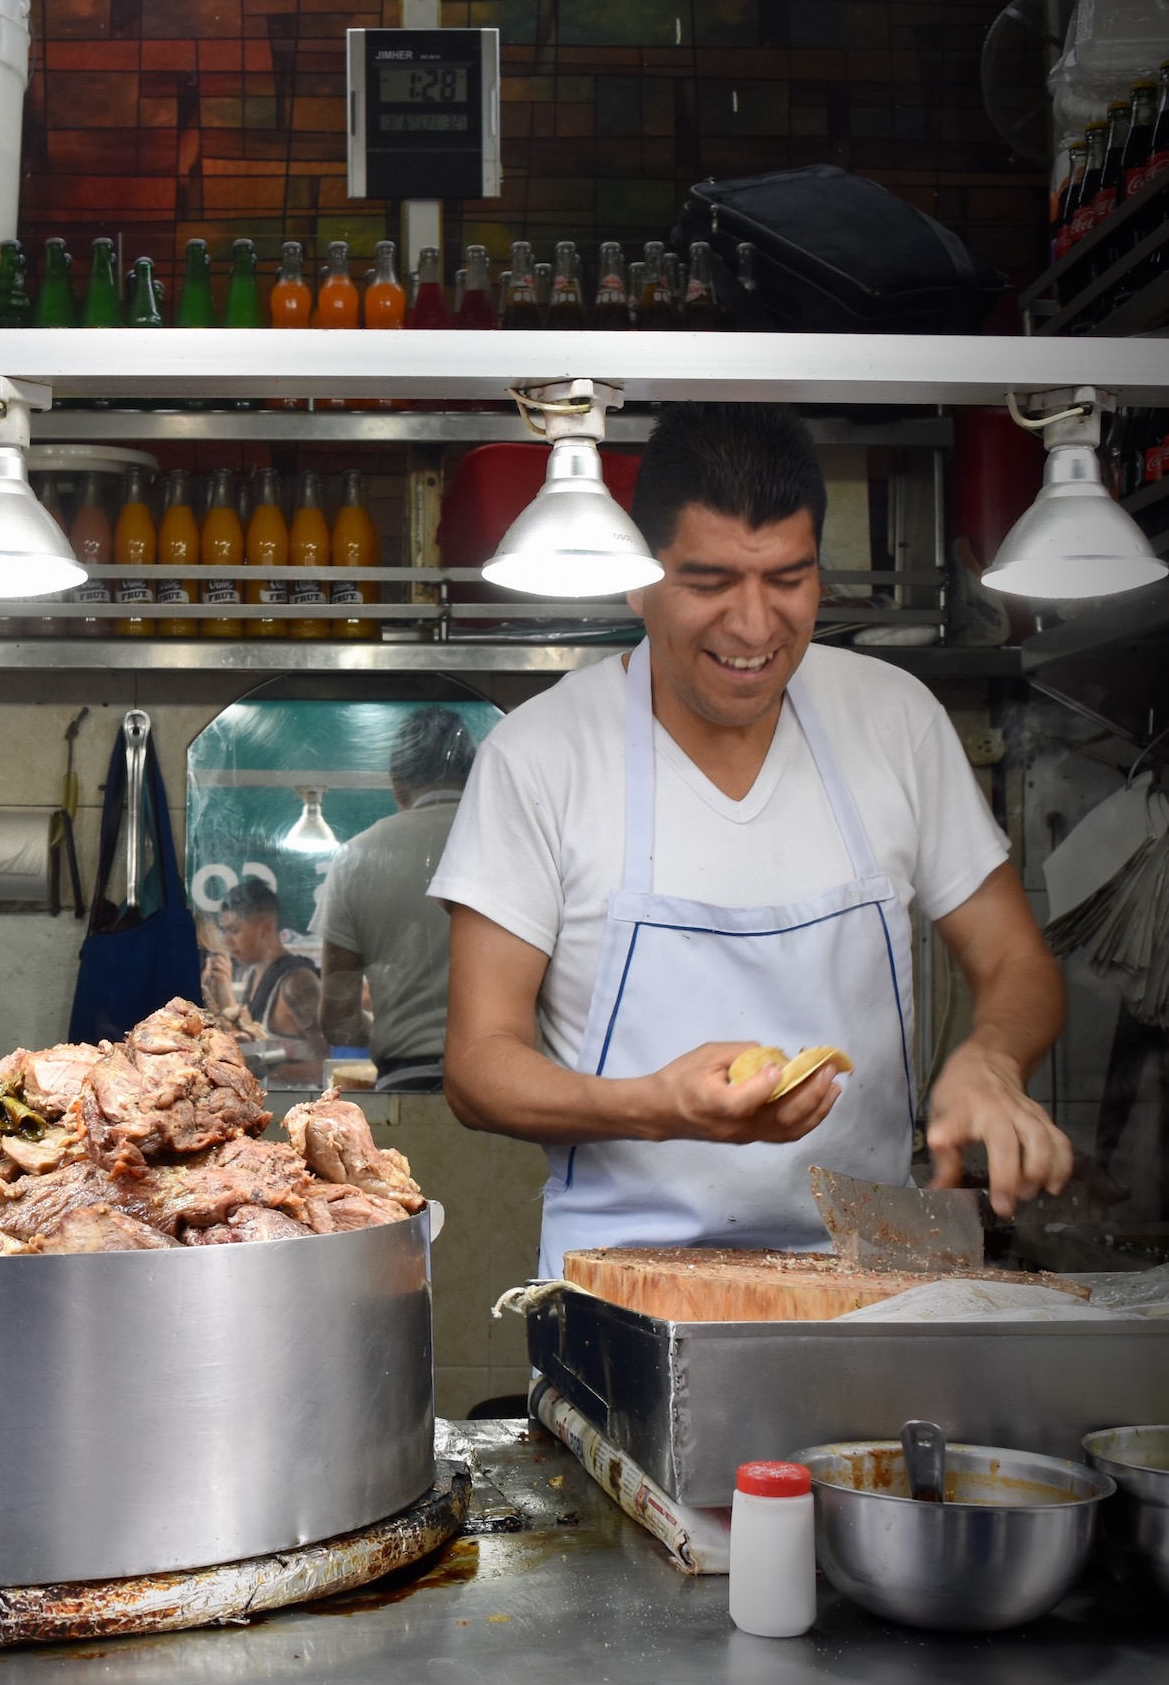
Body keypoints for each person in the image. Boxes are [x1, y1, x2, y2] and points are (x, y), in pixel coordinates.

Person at [429, 403, 1072, 1276]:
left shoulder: (892, 719)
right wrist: (655, 1105)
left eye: (787, 579)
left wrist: (990, 1059)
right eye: (709, 582)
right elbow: (476, 1064)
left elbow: (1015, 962)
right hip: (624, 1281)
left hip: (870, 1279)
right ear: (637, 579)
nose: (754, 625)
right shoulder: (541, 758)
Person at [320, 705, 478, 1092]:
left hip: (405, 1084)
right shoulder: (516, 840)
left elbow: (337, 1017)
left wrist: (395, 1025)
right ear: (475, 773)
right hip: (505, 1084)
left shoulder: (356, 857)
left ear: (396, 783)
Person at [203, 876, 327, 1087]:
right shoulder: (254, 974)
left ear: (266, 927)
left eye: (235, 930)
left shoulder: (298, 983)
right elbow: (254, 1035)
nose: (226, 940)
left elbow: (329, 1064)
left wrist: (256, 1071)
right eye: (225, 931)